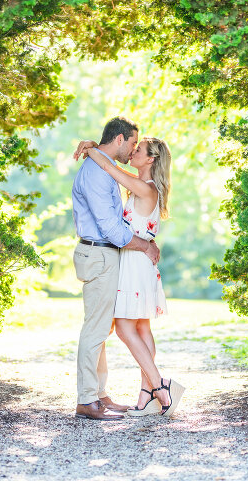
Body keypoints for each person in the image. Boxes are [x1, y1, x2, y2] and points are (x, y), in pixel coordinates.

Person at [74, 135, 184, 417]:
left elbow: (110, 168)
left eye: (139, 150)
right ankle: (145, 396)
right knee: (142, 329)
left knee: (124, 328)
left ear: (150, 159)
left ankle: (160, 386)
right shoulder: (143, 186)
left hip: (135, 264)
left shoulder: (145, 188)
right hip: (137, 262)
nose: (133, 152)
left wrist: (92, 148)